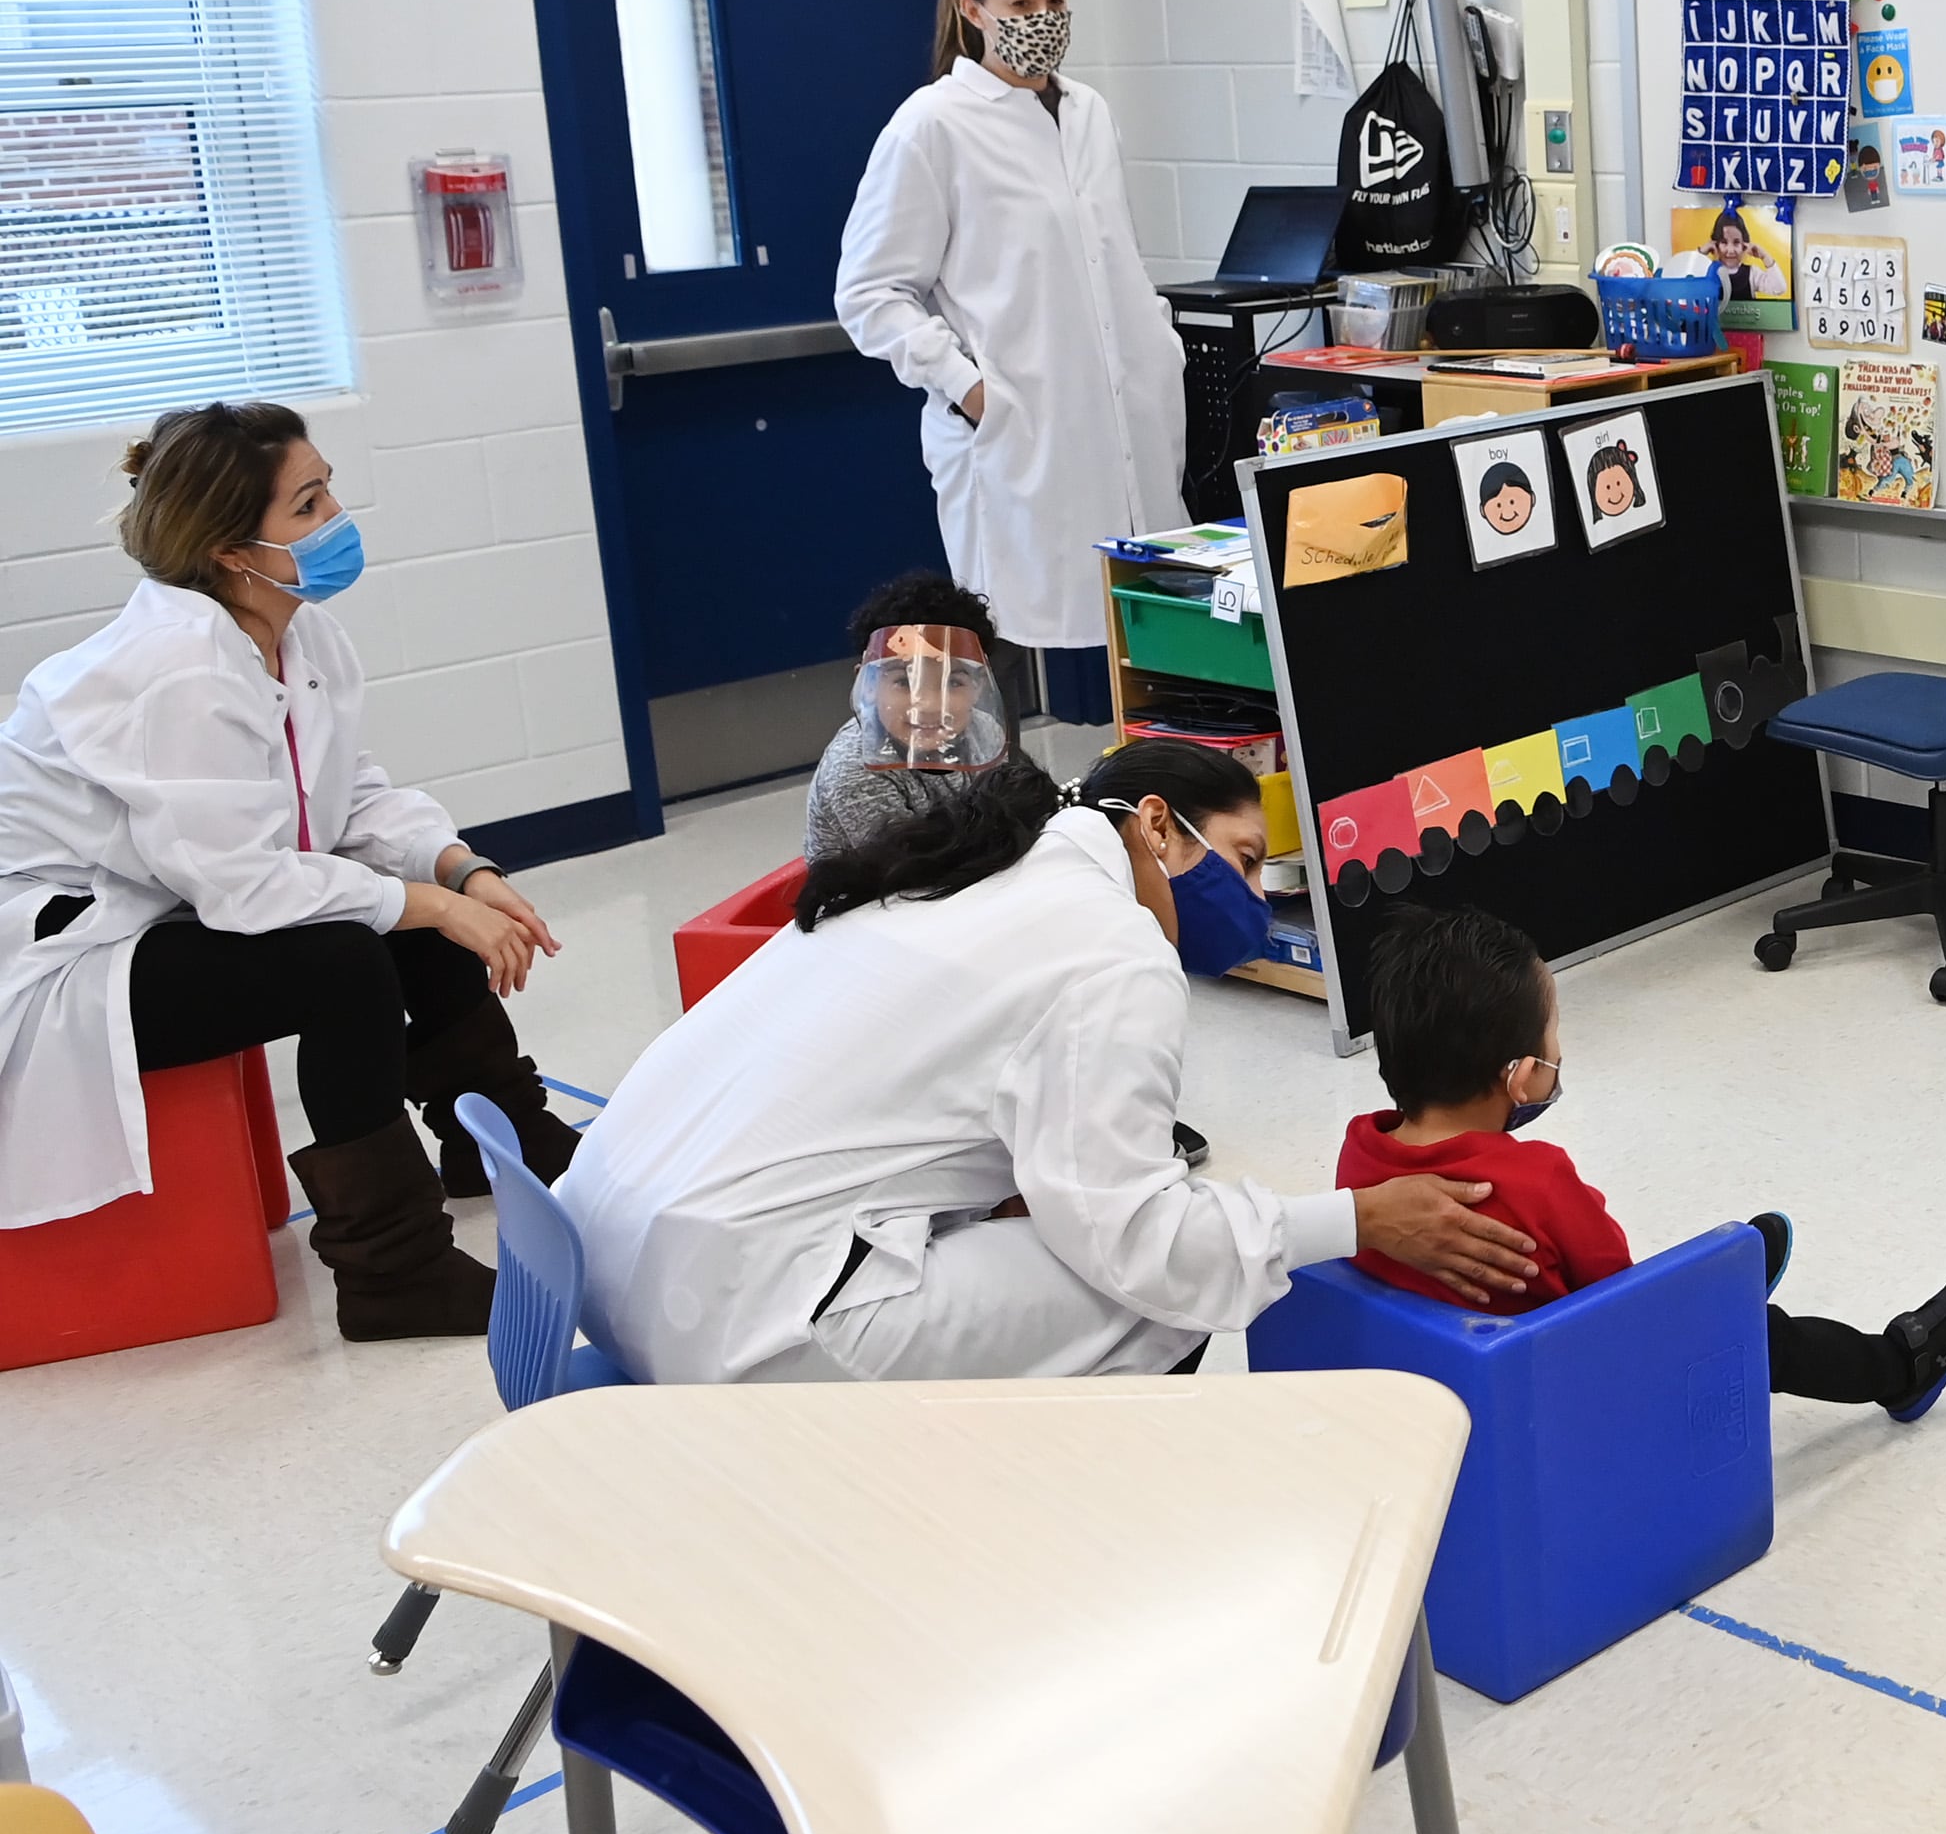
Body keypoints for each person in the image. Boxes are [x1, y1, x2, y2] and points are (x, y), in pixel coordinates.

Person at [565, 751, 1529, 1382]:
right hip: (738, 1327)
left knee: (1076, 1241)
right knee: (1154, 1302)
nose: (1249, 898)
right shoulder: (1113, 949)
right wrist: (1358, 1219)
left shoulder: (968, 872)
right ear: (1156, 824)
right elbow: (1143, 1247)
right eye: (1239, 860)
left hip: (607, 1265)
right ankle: (1064, 1562)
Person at [0, 403, 581, 1335]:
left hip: (163, 904)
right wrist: (426, 903)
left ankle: (510, 1145)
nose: (339, 518)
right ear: (233, 549)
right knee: (346, 960)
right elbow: (246, 889)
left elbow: (349, 804)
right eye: (309, 505)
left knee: (408, 912)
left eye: (328, 489)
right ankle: (393, 1274)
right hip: (64, 959)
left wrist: (460, 869)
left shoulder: (298, 629)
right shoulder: (175, 671)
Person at [1344, 902, 1946, 1420]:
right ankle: (1899, 1367)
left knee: (1690, 1291)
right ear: (1520, 1077)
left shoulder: (1361, 1154)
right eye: (1554, 1036)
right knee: (1764, 1337)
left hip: (1455, 1378)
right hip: (1565, 1387)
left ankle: (1719, 1279)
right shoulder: (1538, 1178)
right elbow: (1618, 1296)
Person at [834, 0, 1185, 718]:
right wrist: (969, 389)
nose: (1043, 18)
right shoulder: (933, 124)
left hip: (1125, 419)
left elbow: (1109, 257)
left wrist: (1155, 347)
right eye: (1022, 2)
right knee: (1013, 641)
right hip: (1015, 434)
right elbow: (869, 292)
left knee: (1144, 626)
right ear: (973, 12)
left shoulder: (1090, 111)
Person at [803, 571, 1010, 865]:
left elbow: (1003, 814)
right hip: (875, 898)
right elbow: (913, 871)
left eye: (953, 682)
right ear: (869, 685)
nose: (927, 705)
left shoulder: (983, 729)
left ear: (979, 685)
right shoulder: (854, 769)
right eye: (904, 682)